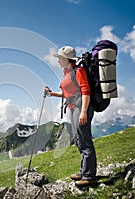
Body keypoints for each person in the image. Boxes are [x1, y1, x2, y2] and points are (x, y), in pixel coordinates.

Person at [45, 46, 97, 186]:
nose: (58, 61)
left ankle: (89, 177)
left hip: (80, 107)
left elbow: (85, 91)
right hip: (73, 108)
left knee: (85, 140)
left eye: (60, 58)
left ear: (67, 59)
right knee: (79, 140)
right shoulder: (66, 73)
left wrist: (84, 111)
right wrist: (51, 94)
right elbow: (67, 94)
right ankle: (83, 171)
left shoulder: (78, 70)